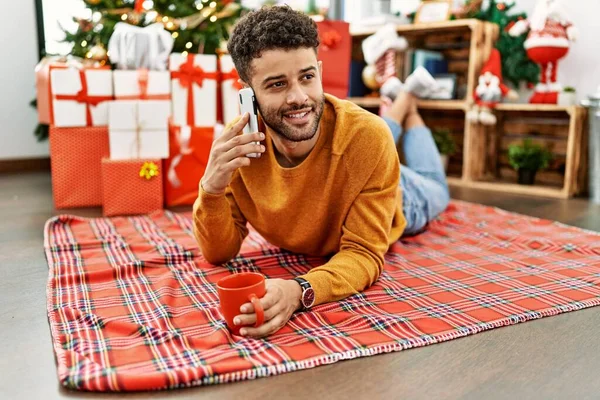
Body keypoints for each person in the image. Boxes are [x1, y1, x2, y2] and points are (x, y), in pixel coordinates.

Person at [193, 5, 449, 338]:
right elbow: (219, 252)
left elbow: (363, 254)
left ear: (319, 70)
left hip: (404, 200)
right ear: (247, 92)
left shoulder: (366, 136)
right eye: (276, 85)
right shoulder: (239, 148)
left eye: (307, 77)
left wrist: (299, 290)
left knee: (436, 186)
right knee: (375, 134)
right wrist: (210, 189)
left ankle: (408, 103)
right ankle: (406, 104)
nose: (298, 97)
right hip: (363, 158)